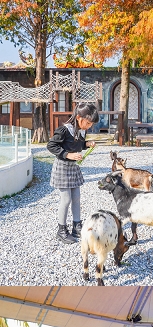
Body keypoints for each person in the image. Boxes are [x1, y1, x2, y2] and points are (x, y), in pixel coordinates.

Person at [46, 103, 98, 244]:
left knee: (76, 198)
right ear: (79, 117)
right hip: (62, 167)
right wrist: (67, 155)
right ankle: (61, 230)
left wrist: (86, 144)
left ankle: (77, 227)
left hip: (73, 168)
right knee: (66, 199)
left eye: (90, 124)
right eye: (87, 123)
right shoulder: (64, 130)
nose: (88, 126)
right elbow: (51, 145)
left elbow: (77, 144)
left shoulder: (81, 130)